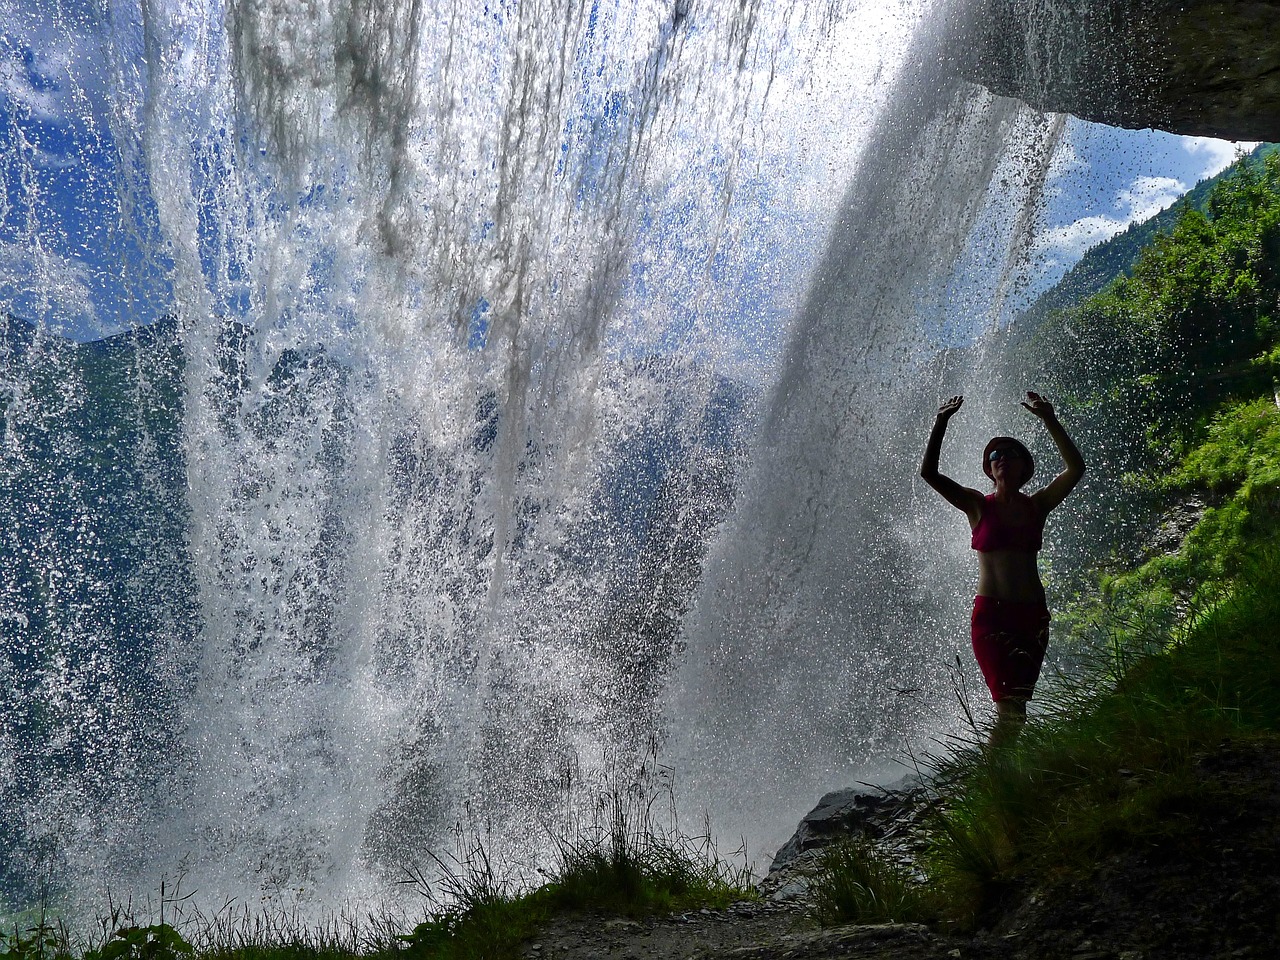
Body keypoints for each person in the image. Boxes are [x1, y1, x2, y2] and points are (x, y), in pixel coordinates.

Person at [919, 391, 1085, 745]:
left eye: (1011, 453)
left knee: (1017, 708)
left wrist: (1050, 420)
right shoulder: (977, 506)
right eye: (995, 455)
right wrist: (941, 421)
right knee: (1009, 708)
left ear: (1026, 467)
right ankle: (992, 784)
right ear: (988, 468)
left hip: (1032, 618)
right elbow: (929, 473)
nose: (1002, 458)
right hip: (992, 618)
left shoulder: (1037, 505)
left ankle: (1002, 784)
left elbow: (1076, 469)